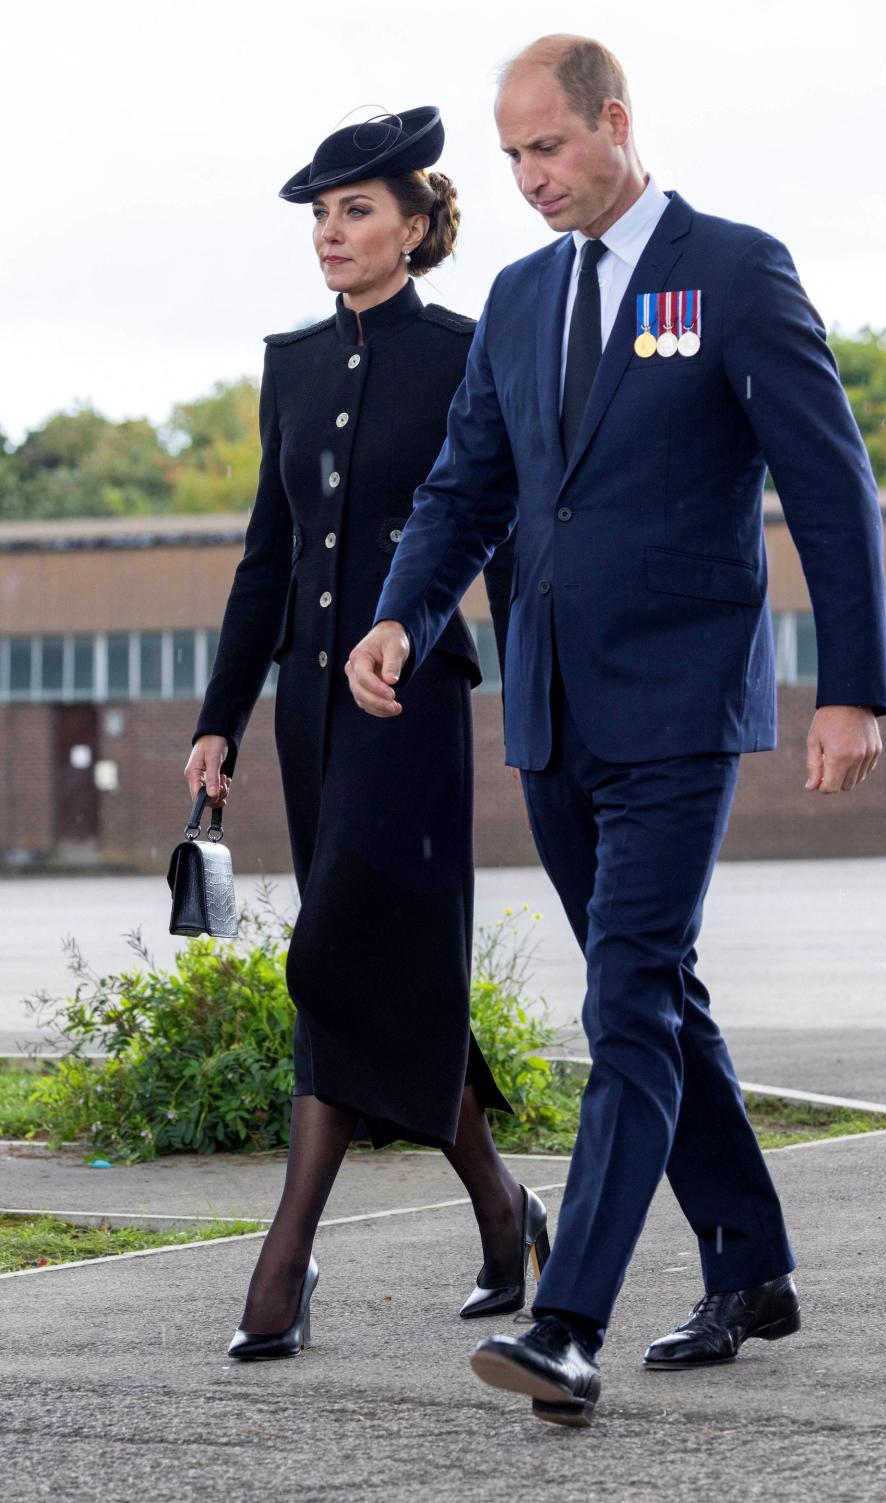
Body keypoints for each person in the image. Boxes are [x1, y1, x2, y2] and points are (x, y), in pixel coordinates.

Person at [346, 40, 886, 1426]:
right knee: (658, 994)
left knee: (628, 1002)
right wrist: (404, 611)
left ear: (614, 125)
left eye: (548, 148)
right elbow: (468, 482)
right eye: (512, 156)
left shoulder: (732, 269)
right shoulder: (524, 299)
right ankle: (752, 1261)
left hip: (678, 701)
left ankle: (567, 1318)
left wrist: (852, 684)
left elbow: (830, 485)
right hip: (552, 708)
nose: (528, 179)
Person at [185, 106, 550, 1362]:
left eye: (357, 212)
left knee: (339, 945)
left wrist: (537, 690)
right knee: (380, 963)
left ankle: (282, 1266)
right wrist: (217, 722)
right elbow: (265, 558)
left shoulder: (464, 349)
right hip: (307, 709)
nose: (331, 234)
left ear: (415, 224)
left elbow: (498, 526)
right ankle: (503, 1212)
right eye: (321, 216)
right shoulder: (291, 362)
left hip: (413, 701)